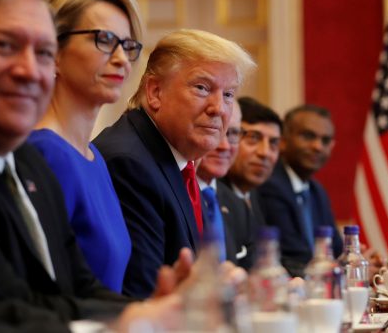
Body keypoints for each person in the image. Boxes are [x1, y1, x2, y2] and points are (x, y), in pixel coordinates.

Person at [0, 0, 194, 332]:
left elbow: (70, 289)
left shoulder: (27, 164)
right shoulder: (42, 152)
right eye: (4, 45)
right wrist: (128, 322)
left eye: (41, 51)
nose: (27, 69)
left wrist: (153, 310)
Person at [94, 28, 255, 298]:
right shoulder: (131, 164)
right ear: (155, 92)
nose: (218, 108)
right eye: (202, 88)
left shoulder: (174, 158)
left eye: (228, 94)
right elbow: (146, 294)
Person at [26, 0, 142, 293]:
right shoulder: (46, 153)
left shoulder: (93, 157)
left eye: (127, 46)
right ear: (55, 52)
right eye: (104, 40)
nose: (121, 59)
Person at [256, 104, 343, 277]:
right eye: (308, 136)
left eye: (325, 140)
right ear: (283, 141)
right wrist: (344, 270)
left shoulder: (316, 191)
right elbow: (295, 255)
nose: (318, 146)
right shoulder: (269, 184)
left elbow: (337, 249)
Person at [196, 100, 255, 270]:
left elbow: (250, 273)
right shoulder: (176, 193)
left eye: (233, 134)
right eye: (214, 132)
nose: (225, 146)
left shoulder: (237, 205)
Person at [223, 97, 282, 228]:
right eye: (253, 138)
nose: (265, 152)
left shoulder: (261, 196)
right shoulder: (210, 194)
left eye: (273, 143)